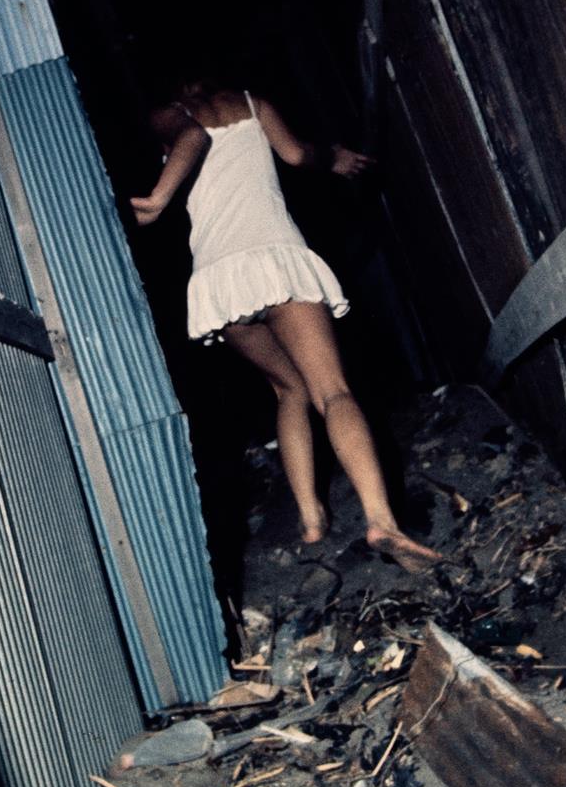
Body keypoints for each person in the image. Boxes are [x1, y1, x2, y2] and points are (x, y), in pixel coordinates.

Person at [131, 81, 439, 571]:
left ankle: (311, 518)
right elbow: (297, 156)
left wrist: (159, 198)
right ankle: (381, 519)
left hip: (223, 279)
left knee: (287, 390)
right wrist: (332, 156)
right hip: (276, 258)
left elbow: (190, 137)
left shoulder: (166, 113)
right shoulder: (253, 102)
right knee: (333, 392)